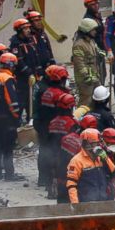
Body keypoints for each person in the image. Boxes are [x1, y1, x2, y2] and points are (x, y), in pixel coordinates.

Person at [0, 52, 23, 181]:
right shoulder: (7, 79)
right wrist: (17, 116)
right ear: (11, 65)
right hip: (7, 119)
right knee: (8, 147)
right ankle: (9, 174)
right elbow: (11, 100)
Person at [35, 65, 71, 193]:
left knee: (44, 150)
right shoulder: (58, 94)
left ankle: (44, 179)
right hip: (54, 127)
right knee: (54, 153)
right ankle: (52, 181)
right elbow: (64, 111)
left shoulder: (45, 90)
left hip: (43, 123)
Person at [66, 128, 115, 204]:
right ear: (87, 144)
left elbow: (114, 173)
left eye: (100, 143)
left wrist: (106, 158)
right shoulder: (76, 161)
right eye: (96, 144)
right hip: (86, 203)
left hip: (103, 201)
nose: (99, 146)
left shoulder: (101, 158)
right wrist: (75, 204)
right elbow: (71, 184)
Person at [47, 94, 78, 203]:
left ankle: (51, 190)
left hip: (53, 153)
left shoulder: (53, 121)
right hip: (66, 155)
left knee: (54, 172)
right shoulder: (72, 123)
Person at [9, 18, 39, 123]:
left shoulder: (30, 41)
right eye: (25, 29)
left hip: (33, 78)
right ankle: (17, 125)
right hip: (21, 80)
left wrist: (38, 71)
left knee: (32, 105)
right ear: (19, 30)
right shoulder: (15, 44)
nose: (28, 31)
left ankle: (30, 125)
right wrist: (29, 73)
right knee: (21, 102)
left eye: (28, 28)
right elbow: (19, 61)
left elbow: (35, 57)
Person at [73, 18, 104, 107]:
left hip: (94, 76)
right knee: (86, 101)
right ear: (86, 30)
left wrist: (102, 54)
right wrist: (86, 76)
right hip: (85, 79)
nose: (95, 32)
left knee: (97, 98)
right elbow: (79, 63)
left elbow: (97, 50)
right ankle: (81, 118)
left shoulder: (91, 41)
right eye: (93, 30)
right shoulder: (79, 45)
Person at [102, 128, 115, 200]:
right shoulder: (98, 151)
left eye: (114, 144)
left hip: (111, 178)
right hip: (101, 179)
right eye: (110, 143)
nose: (112, 145)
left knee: (111, 192)